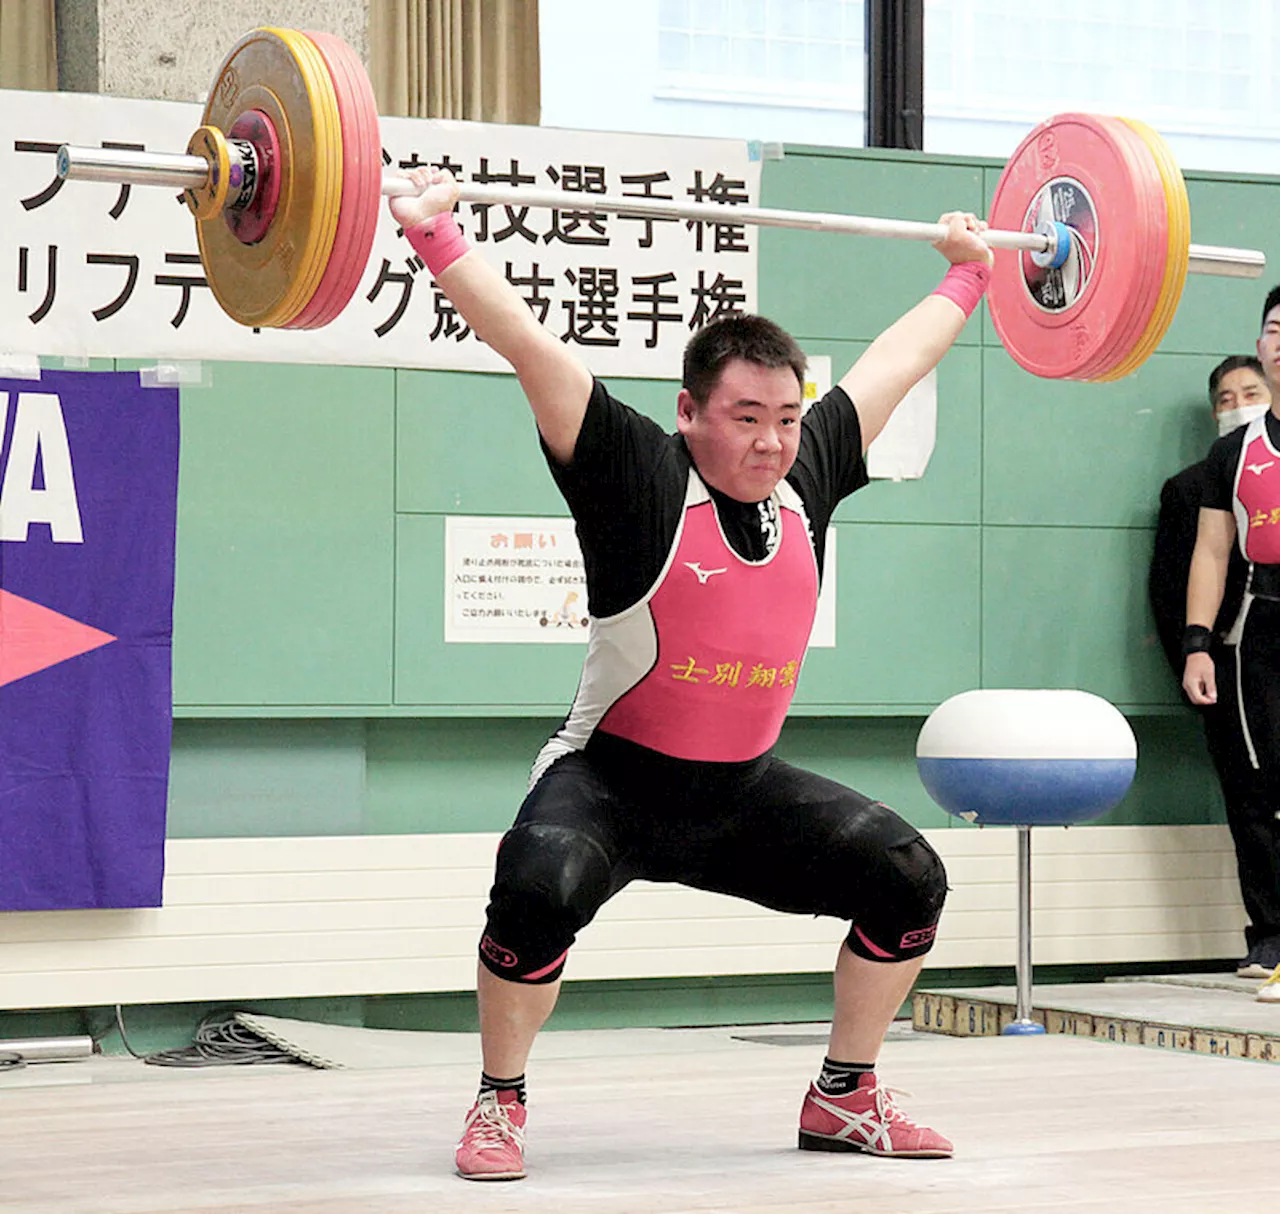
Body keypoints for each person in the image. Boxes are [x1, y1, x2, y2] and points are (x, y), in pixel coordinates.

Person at [389, 166, 993, 1181]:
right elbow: (527, 347)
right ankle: (499, 1100)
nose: (770, 441)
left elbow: (895, 362)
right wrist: (437, 239)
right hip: (613, 780)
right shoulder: (634, 471)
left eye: (786, 418)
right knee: (536, 885)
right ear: (688, 411)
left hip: (740, 789)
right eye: (746, 416)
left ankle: (843, 1098)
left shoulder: (809, 468)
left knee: (906, 878)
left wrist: (968, 277)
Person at [1149, 356, 1270, 977]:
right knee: (1251, 802)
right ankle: (1268, 937)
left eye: (1250, 391)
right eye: (1226, 398)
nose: (1239, 404)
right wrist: (1199, 656)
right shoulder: (1192, 486)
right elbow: (1173, 590)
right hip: (1232, 667)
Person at [1184, 295, 1280, 989]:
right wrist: (1197, 643)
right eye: (1275, 331)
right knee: (1257, 788)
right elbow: (1213, 553)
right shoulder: (1235, 451)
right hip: (1262, 627)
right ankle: (1271, 935)